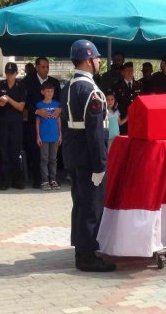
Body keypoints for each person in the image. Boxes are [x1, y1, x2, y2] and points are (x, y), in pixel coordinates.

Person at [61, 39, 115, 272]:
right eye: (96, 58)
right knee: (92, 207)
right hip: (88, 157)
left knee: (80, 204)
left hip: (74, 154)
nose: (99, 61)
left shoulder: (68, 86)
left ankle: (80, 249)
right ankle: (87, 256)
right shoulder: (92, 91)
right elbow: (95, 133)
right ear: (88, 60)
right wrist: (100, 165)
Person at [25, 57, 62, 189]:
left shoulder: (55, 82)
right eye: (43, 66)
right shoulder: (28, 81)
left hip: (52, 124)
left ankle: (53, 179)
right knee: (37, 153)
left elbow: (61, 101)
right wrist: (36, 111)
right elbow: (25, 102)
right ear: (36, 67)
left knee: (52, 156)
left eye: (47, 66)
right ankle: (38, 179)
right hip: (36, 123)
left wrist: (60, 109)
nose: (46, 69)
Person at [0, 62, 27, 190]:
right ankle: (4, 180)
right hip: (3, 121)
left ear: (16, 73)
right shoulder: (0, 85)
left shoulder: (21, 86)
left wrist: (8, 99)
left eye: (11, 73)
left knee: (15, 151)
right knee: (4, 151)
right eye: (7, 73)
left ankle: (17, 179)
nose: (9, 76)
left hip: (16, 123)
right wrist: (1, 102)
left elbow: (21, 107)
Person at [36, 82, 62, 191]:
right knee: (44, 158)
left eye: (52, 91)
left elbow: (58, 119)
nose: (50, 93)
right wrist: (38, 136)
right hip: (44, 136)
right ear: (42, 92)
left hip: (55, 136)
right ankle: (45, 180)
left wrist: (60, 134)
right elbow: (37, 121)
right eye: (47, 91)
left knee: (53, 159)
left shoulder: (57, 104)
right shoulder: (39, 105)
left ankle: (53, 179)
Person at [112, 62, 142, 135]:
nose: (130, 72)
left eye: (131, 70)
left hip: (136, 119)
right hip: (123, 118)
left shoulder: (139, 85)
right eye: (127, 70)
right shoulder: (117, 86)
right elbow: (114, 104)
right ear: (123, 72)